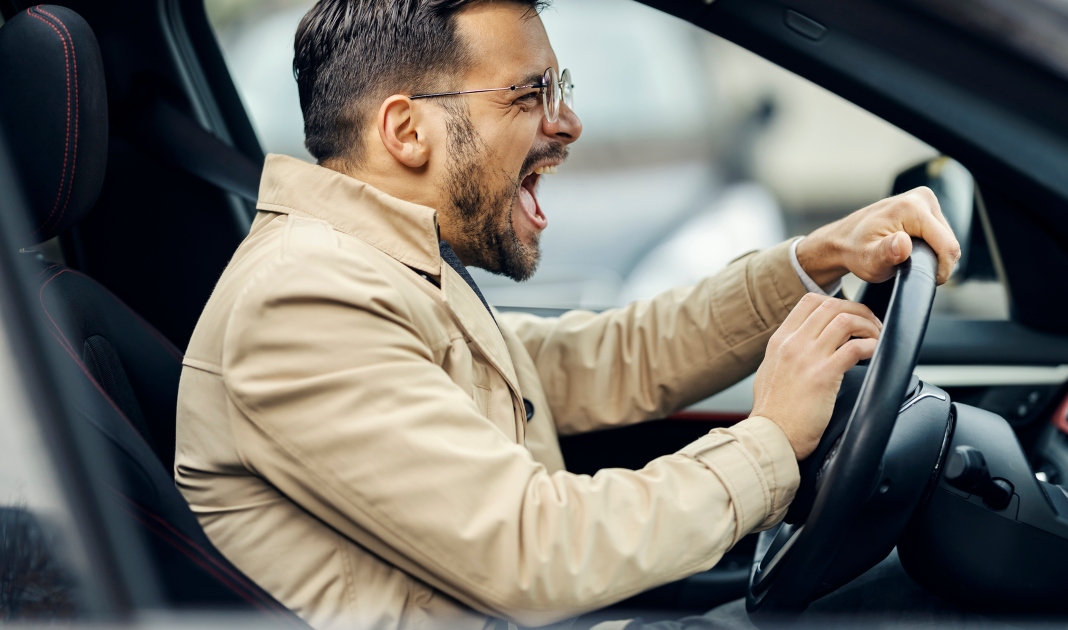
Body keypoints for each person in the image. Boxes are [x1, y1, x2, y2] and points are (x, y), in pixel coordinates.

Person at [174, 1, 962, 628]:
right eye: (530, 93)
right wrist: (770, 443)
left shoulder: (382, 272)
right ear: (407, 131)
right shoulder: (305, 300)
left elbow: (606, 360)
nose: (568, 121)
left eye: (561, 88)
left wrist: (812, 261)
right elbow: (532, 551)